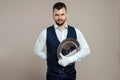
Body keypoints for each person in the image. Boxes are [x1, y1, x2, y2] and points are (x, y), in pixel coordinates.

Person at [34, 2, 90, 80]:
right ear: (53, 15)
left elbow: (86, 50)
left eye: (62, 14)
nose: (59, 17)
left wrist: (70, 59)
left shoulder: (76, 31)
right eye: (56, 15)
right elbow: (37, 51)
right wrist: (51, 58)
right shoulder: (46, 32)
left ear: (66, 14)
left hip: (70, 75)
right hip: (52, 75)